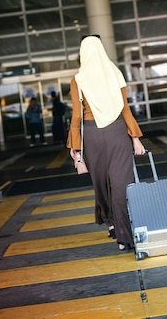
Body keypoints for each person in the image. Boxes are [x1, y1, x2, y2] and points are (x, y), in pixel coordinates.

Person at [66, 34, 146, 251]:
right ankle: (117, 228)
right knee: (116, 186)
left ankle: (119, 230)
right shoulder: (114, 74)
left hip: (93, 138)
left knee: (110, 186)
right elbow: (125, 109)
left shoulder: (79, 80)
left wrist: (76, 149)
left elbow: (76, 116)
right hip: (118, 133)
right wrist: (135, 139)